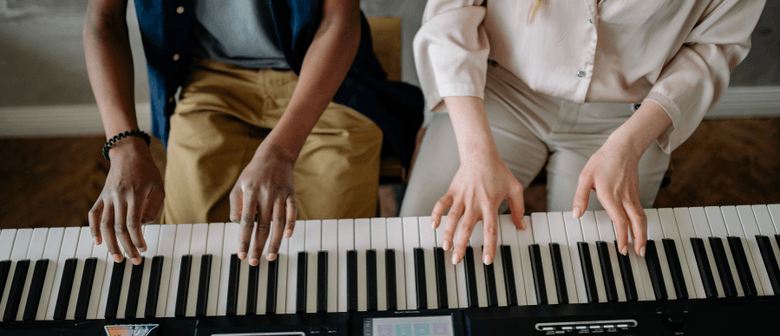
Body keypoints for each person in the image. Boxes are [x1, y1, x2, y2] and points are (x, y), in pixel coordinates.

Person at [402, 0, 765, 266]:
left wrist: (631, 143)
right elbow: (451, 15)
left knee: (598, 268)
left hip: (626, 118)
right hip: (498, 93)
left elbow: (713, 48)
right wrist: (476, 153)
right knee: (422, 244)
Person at [84, 0, 423, 267]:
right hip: (208, 79)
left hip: (322, 77)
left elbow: (339, 19)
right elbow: (104, 19)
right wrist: (124, 145)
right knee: (190, 242)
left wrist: (281, 151)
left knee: (330, 245)